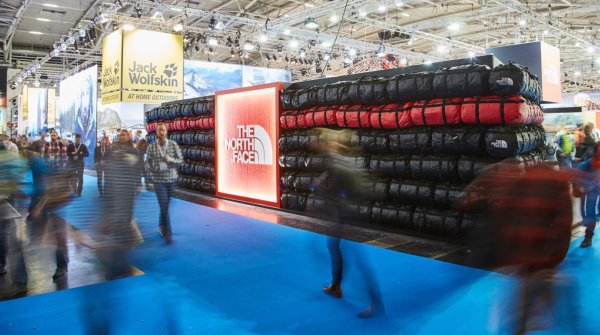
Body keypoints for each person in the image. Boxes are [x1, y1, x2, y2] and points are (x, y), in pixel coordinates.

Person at [456, 160, 573, 334]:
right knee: (540, 287)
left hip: (523, 256)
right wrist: (555, 256)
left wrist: (505, 251)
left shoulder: (520, 183)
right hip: (543, 257)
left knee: (524, 302)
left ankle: (524, 323)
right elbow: (563, 225)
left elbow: (504, 216)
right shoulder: (558, 183)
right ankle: (545, 313)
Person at [315, 128, 384, 318]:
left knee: (356, 258)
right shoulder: (353, 160)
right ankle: (336, 285)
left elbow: (333, 191)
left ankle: (375, 301)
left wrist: (321, 184)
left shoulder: (340, 164)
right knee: (335, 246)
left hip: (346, 215)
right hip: (348, 213)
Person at [100, 129, 143, 279]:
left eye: (123, 135)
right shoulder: (113, 149)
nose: (121, 137)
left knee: (124, 220)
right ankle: (118, 260)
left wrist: (138, 184)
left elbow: (138, 168)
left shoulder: (133, 151)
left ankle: (120, 259)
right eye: (120, 135)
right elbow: (107, 168)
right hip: (113, 189)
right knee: (116, 221)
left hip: (128, 190)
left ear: (128, 137)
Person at [145, 124, 182, 243]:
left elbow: (180, 160)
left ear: (166, 132)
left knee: (164, 206)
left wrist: (171, 160)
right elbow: (147, 163)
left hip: (171, 180)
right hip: (158, 180)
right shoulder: (151, 147)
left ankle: (161, 225)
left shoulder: (173, 145)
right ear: (156, 132)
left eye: (163, 129)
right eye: (159, 130)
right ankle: (168, 233)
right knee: (164, 205)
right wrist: (152, 170)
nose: (161, 131)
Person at [574, 144, 600, 248]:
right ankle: (588, 237)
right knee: (589, 212)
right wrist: (578, 187)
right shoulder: (584, 166)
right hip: (590, 190)